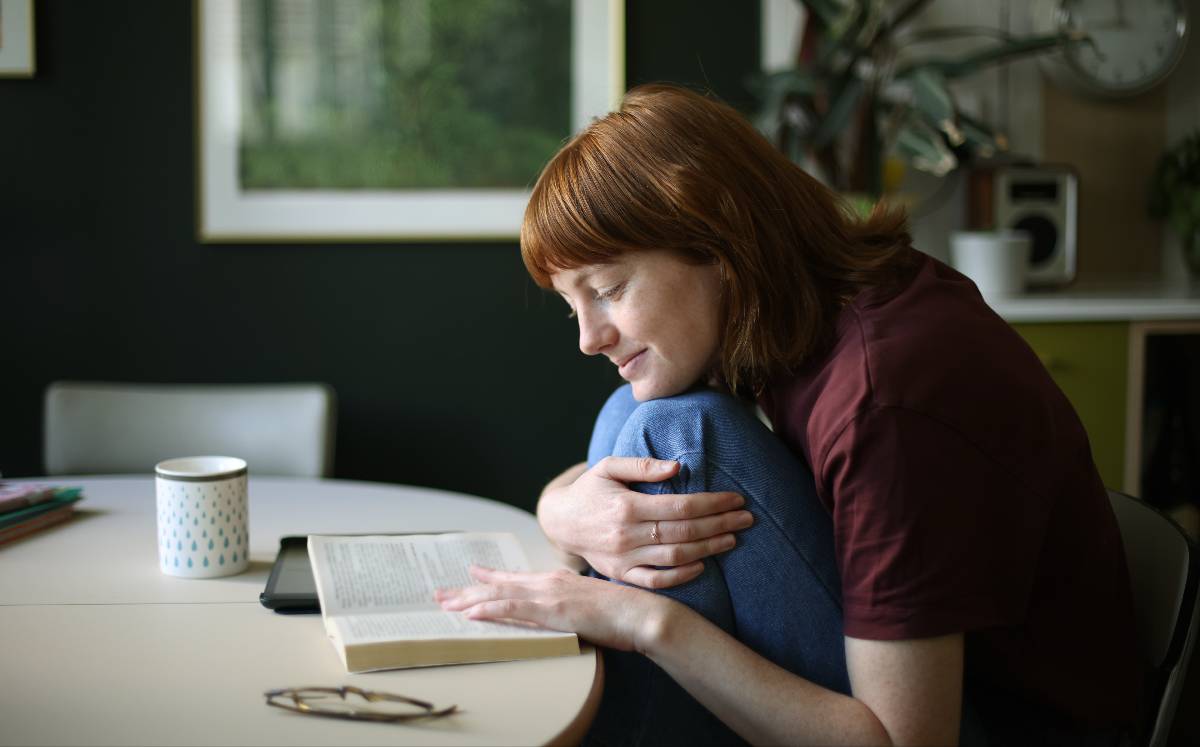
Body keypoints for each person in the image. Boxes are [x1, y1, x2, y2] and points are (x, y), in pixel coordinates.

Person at [435, 84, 1142, 745]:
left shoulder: (883, 398)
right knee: (637, 400)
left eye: (610, 289)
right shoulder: (801, 312)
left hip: (992, 725)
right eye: (574, 308)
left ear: (713, 238)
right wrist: (562, 512)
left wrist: (639, 619)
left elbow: (904, 739)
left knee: (675, 431)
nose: (590, 338)